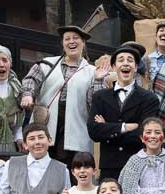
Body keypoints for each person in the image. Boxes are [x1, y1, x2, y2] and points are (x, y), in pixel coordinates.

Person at [19, 26, 104, 164]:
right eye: (67, 39)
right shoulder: (46, 64)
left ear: (83, 43)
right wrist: (27, 95)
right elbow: (30, 80)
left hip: (75, 130)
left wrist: (99, 80)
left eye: (76, 38)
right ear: (63, 43)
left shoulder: (92, 72)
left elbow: (95, 104)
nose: (71, 41)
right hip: (45, 125)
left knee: (73, 171)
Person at [88, 44, 161, 177]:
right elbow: (94, 131)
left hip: (139, 165)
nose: (126, 63)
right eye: (121, 60)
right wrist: (125, 127)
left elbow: (145, 134)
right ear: (114, 67)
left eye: (130, 60)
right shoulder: (100, 96)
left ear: (136, 67)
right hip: (109, 166)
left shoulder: (149, 98)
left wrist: (107, 128)